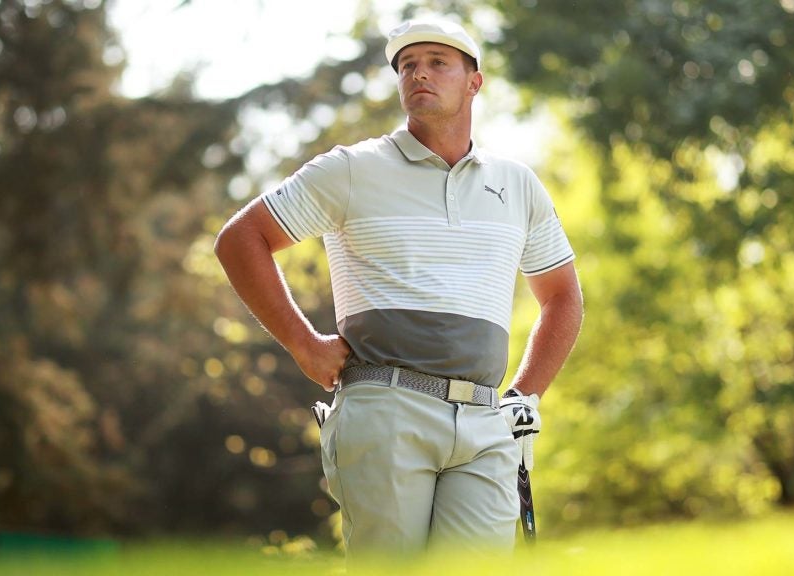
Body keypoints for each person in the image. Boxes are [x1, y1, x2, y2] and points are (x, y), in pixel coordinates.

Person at [214, 17, 583, 559]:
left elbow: (562, 296)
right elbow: (240, 239)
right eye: (408, 65)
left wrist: (525, 394)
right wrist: (303, 343)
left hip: (484, 421)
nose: (419, 74)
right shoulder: (351, 169)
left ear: (474, 83)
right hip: (385, 409)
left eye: (437, 62)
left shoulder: (518, 184)